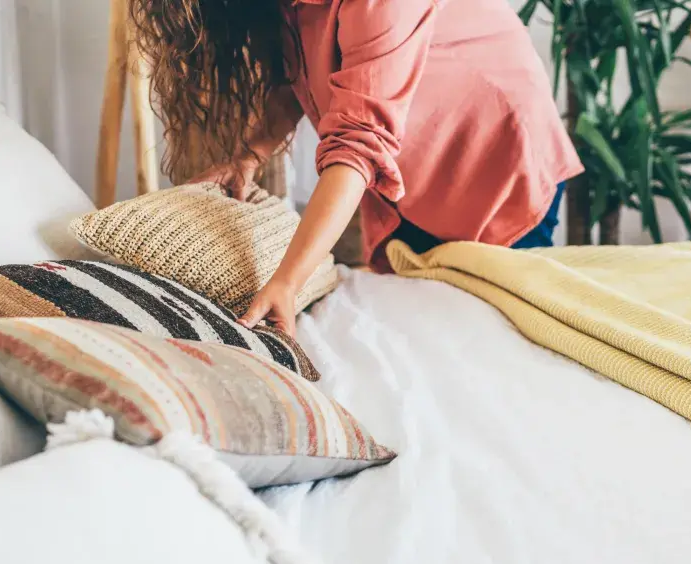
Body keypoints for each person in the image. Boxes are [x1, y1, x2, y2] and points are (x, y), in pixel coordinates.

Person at [130, 0, 582, 336]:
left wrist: (287, 282)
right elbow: (299, 81)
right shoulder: (292, 7)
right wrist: (245, 157)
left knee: (504, 331)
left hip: (498, 161)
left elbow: (356, 143)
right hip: (417, 179)